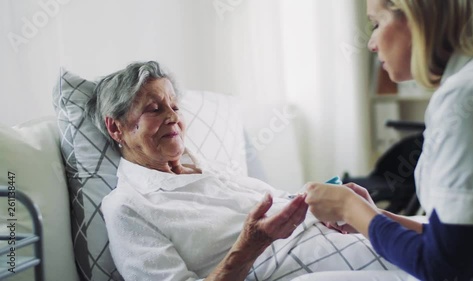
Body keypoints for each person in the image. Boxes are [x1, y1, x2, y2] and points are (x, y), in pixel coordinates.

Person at [86, 61, 397, 281]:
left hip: (341, 241)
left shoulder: (207, 168)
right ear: (116, 127)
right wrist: (251, 245)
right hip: (312, 267)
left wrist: (337, 210)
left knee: (435, 242)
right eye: (154, 109)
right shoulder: (127, 207)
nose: (173, 117)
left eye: (175, 107)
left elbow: (277, 210)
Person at [306, 0, 473, 280]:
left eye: (377, 22)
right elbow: (464, 238)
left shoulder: (468, 96)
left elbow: (443, 269)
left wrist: (349, 207)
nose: (371, 44)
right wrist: (371, 217)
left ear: (416, 18)